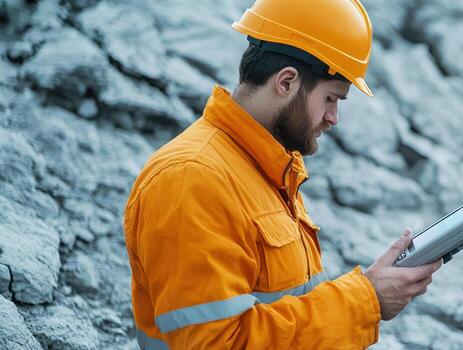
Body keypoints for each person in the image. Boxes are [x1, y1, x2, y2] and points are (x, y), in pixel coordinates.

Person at [123, 0, 442, 348]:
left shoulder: (265, 169)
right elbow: (217, 342)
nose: (333, 118)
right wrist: (364, 300)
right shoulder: (192, 179)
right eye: (331, 99)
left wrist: (370, 290)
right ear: (287, 82)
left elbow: (286, 306)